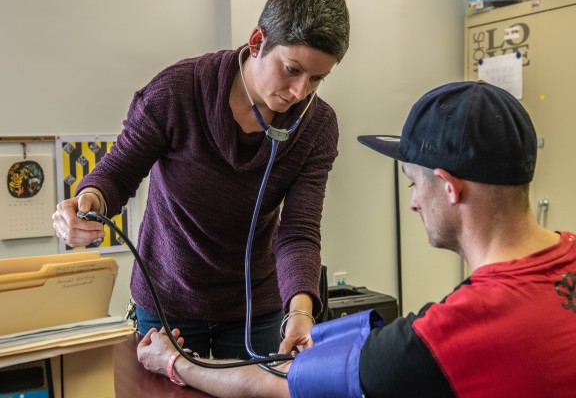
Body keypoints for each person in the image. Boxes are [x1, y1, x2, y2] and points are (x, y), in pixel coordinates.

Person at [136, 81, 576, 397]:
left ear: (448, 187)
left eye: (412, 185)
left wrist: (173, 360)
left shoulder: (449, 336)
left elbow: (271, 385)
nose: (414, 205)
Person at [51, 0, 350, 359]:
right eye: (291, 69)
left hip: (255, 306)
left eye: (316, 79)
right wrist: (87, 202)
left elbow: (298, 231)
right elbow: (117, 174)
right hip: (169, 297)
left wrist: (300, 312)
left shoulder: (317, 125)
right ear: (257, 41)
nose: (299, 92)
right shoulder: (177, 91)